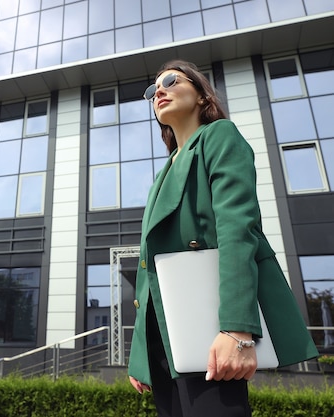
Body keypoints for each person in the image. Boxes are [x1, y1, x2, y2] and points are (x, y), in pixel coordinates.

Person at [127, 60, 318, 416]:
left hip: (211, 330)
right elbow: (148, 270)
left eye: (170, 80)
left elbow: (237, 231)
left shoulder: (219, 136)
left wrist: (237, 330)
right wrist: (141, 356)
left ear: (201, 96)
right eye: (153, 91)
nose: (159, 92)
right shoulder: (164, 172)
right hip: (167, 343)